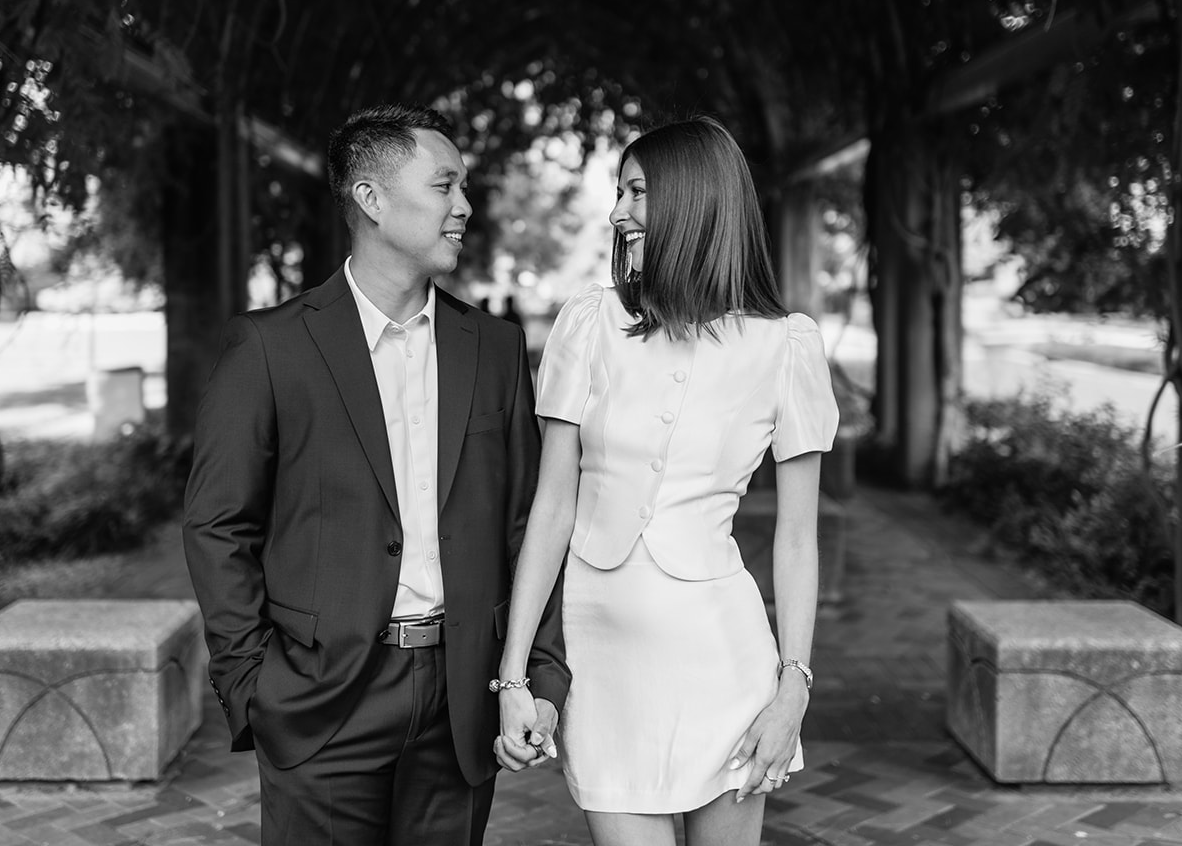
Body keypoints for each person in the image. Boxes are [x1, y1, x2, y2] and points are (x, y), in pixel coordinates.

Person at [182, 103, 569, 846]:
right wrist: (252, 686)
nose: (464, 206)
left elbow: (529, 524)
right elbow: (217, 524)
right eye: (445, 185)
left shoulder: (493, 348)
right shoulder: (269, 348)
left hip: (462, 698)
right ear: (371, 198)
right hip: (319, 702)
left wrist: (539, 675)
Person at [491, 117, 839, 846]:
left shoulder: (784, 347)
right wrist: (514, 675)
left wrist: (792, 689)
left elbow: (798, 539)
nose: (618, 213)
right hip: (601, 666)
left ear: (693, 202)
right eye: (619, 191)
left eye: (637, 192)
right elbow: (550, 510)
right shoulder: (589, 324)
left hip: (725, 662)